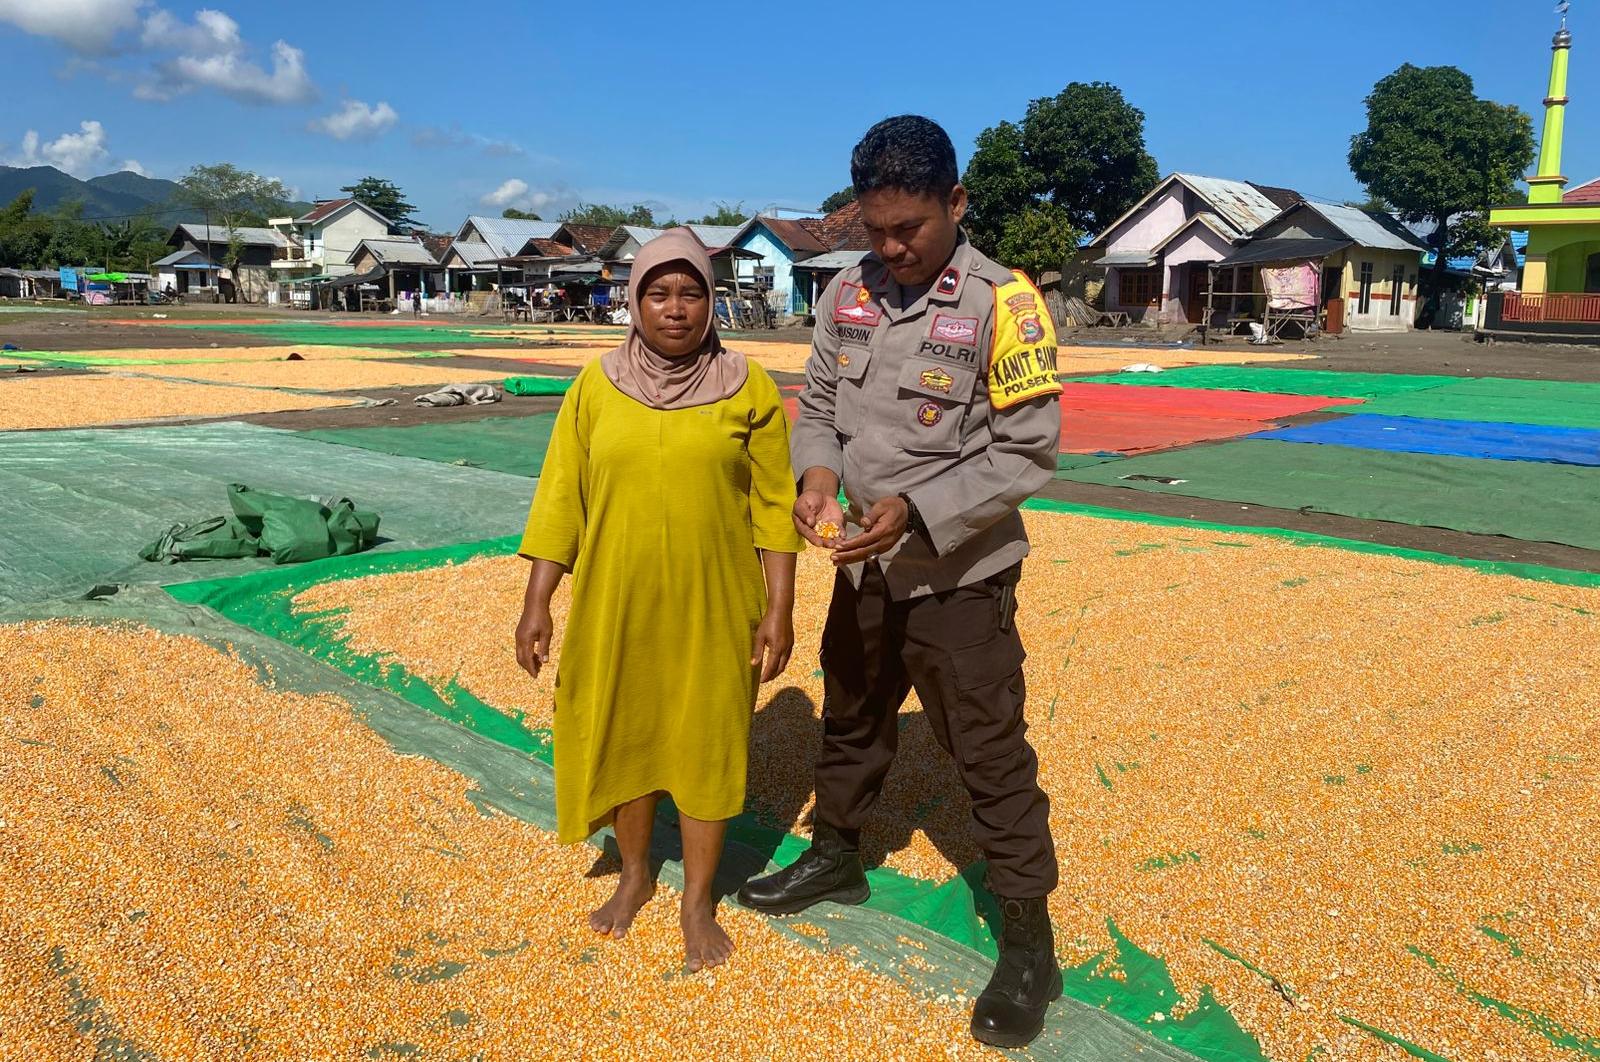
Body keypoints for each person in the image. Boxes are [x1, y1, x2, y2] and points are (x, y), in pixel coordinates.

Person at [736, 116, 1064, 1048]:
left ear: (955, 203)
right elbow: (819, 407)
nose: (890, 250)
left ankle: (1030, 942)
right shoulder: (847, 292)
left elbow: (1027, 451)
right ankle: (837, 855)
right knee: (851, 713)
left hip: (959, 579)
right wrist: (817, 478)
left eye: (908, 229)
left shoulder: (1006, 305)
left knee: (988, 754)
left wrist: (916, 512)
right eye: (875, 230)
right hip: (862, 566)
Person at [514, 228, 802, 971]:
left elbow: (774, 507)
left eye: (691, 293)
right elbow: (561, 499)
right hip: (618, 601)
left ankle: (697, 900)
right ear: (634, 302)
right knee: (627, 732)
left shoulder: (749, 387)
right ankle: (636, 874)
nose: (675, 308)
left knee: (708, 742)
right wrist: (537, 601)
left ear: (713, 301)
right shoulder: (594, 386)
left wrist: (780, 608)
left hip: (716, 603)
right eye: (658, 293)